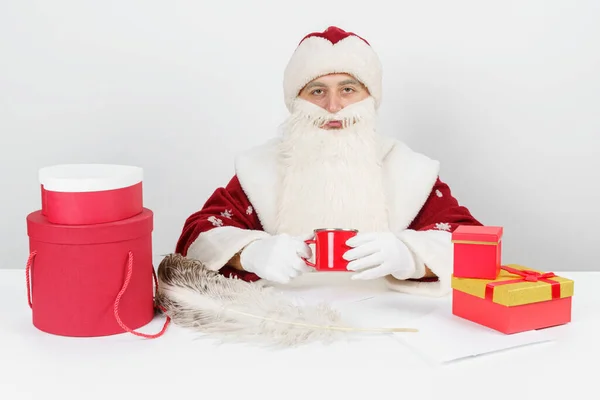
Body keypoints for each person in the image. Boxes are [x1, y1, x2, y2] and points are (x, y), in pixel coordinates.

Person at [175, 26, 482, 297]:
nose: (333, 106)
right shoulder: (260, 168)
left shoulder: (409, 170)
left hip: (388, 321)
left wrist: (410, 255)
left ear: (369, 98)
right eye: (317, 91)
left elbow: (474, 245)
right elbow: (198, 235)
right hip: (286, 318)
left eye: (348, 90)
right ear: (296, 101)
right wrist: (250, 252)